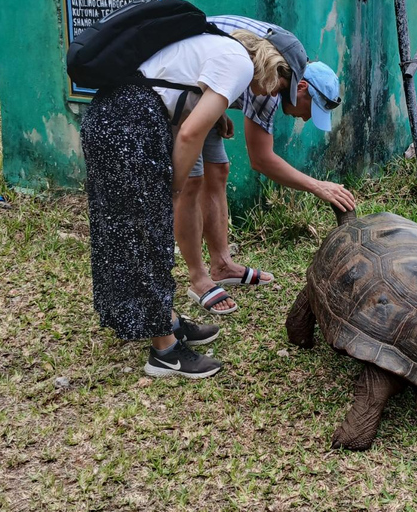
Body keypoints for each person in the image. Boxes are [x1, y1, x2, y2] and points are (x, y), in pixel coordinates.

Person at [80, 26, 291, 378]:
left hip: (113, 117)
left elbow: (181, 94)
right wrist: (174, 187)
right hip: (131, 124)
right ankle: (164, 353)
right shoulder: (239, 64)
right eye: (278, 87)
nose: (270, 95)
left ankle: (166, 320)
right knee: (147, 238)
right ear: (272, 68)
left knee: (124, 232)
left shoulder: (219, 50)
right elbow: (192, 131)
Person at [175, 16, 357, 315]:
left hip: (202, 85)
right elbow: (261, 160)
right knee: (191, 181)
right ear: (300, 88)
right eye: (310, 110)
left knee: (217, 170)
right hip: (178, 85)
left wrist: (218, 109)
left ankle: (222, 264)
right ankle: (199, 279)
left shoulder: (284, 66)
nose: (306, 119)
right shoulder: (274, 84)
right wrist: (317, 186)